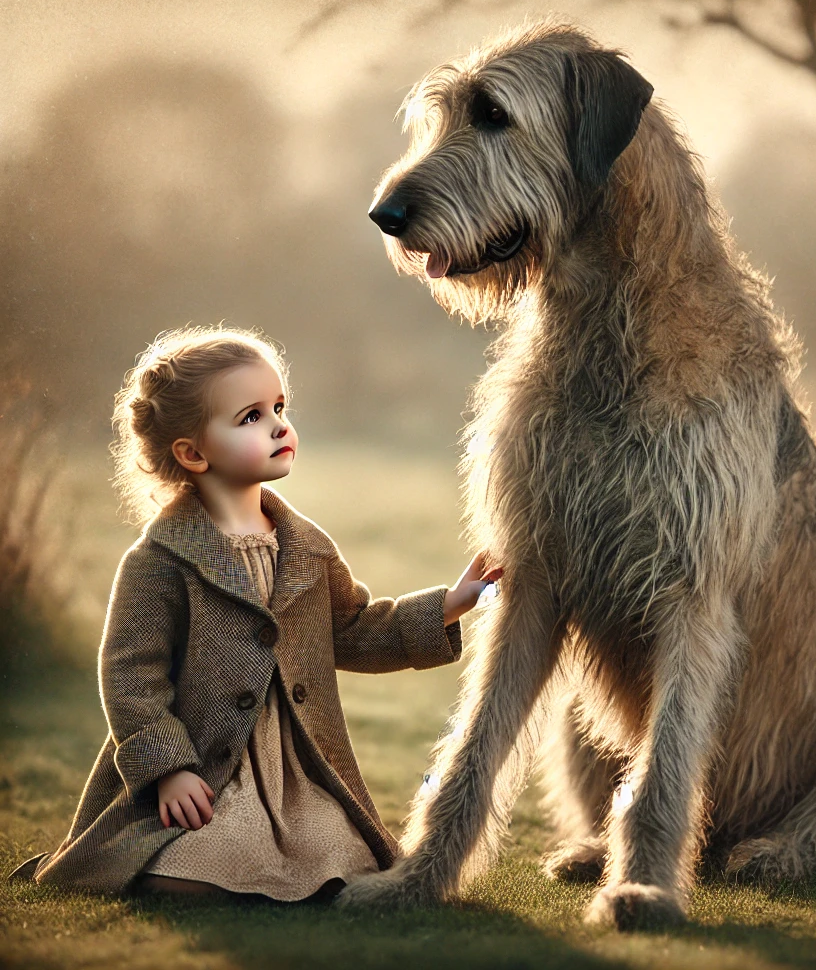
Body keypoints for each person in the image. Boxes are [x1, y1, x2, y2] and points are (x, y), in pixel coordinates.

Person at [8, 325, 500, 899]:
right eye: (250, 417)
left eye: (279, 407)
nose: (278, 425)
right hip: (206, 771)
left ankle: (281, 860)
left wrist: (447, 605)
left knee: (344, 859)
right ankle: (181, 865)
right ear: (192, 454)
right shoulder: (160, 560)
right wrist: (169, 768)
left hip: (296, 773)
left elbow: (353, 629)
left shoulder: (305, 548)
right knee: (193, 865)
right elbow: (129, 676)